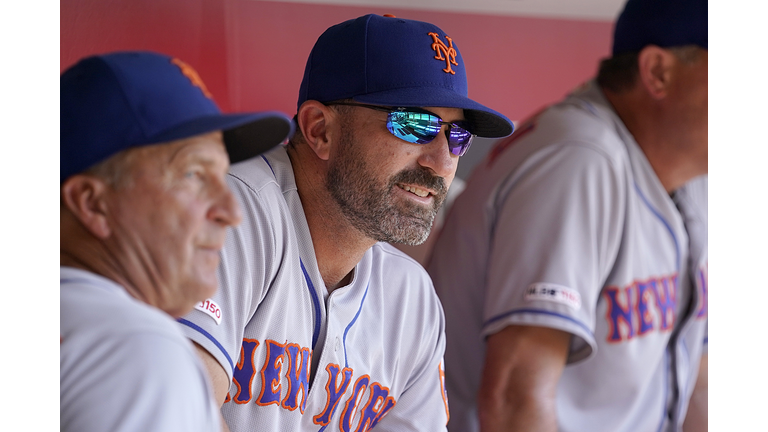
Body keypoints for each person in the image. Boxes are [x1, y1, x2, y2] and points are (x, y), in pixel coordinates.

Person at [177, 14, 514, 431]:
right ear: (319, 130)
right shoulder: (229, 213)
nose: (443, 162)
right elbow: (177, 412)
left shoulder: (412, 300)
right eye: (414, 125)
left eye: (457, 136)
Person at [425, 0, 708, 431]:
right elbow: (514, 403)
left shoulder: (691, 174)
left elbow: (698, 376)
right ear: (658, 73)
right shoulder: (578, 161)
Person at [60, 51, 293, 432]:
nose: (230, 213)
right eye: (193, 174)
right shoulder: (134, 349)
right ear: (92, 203)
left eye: (221, 174)